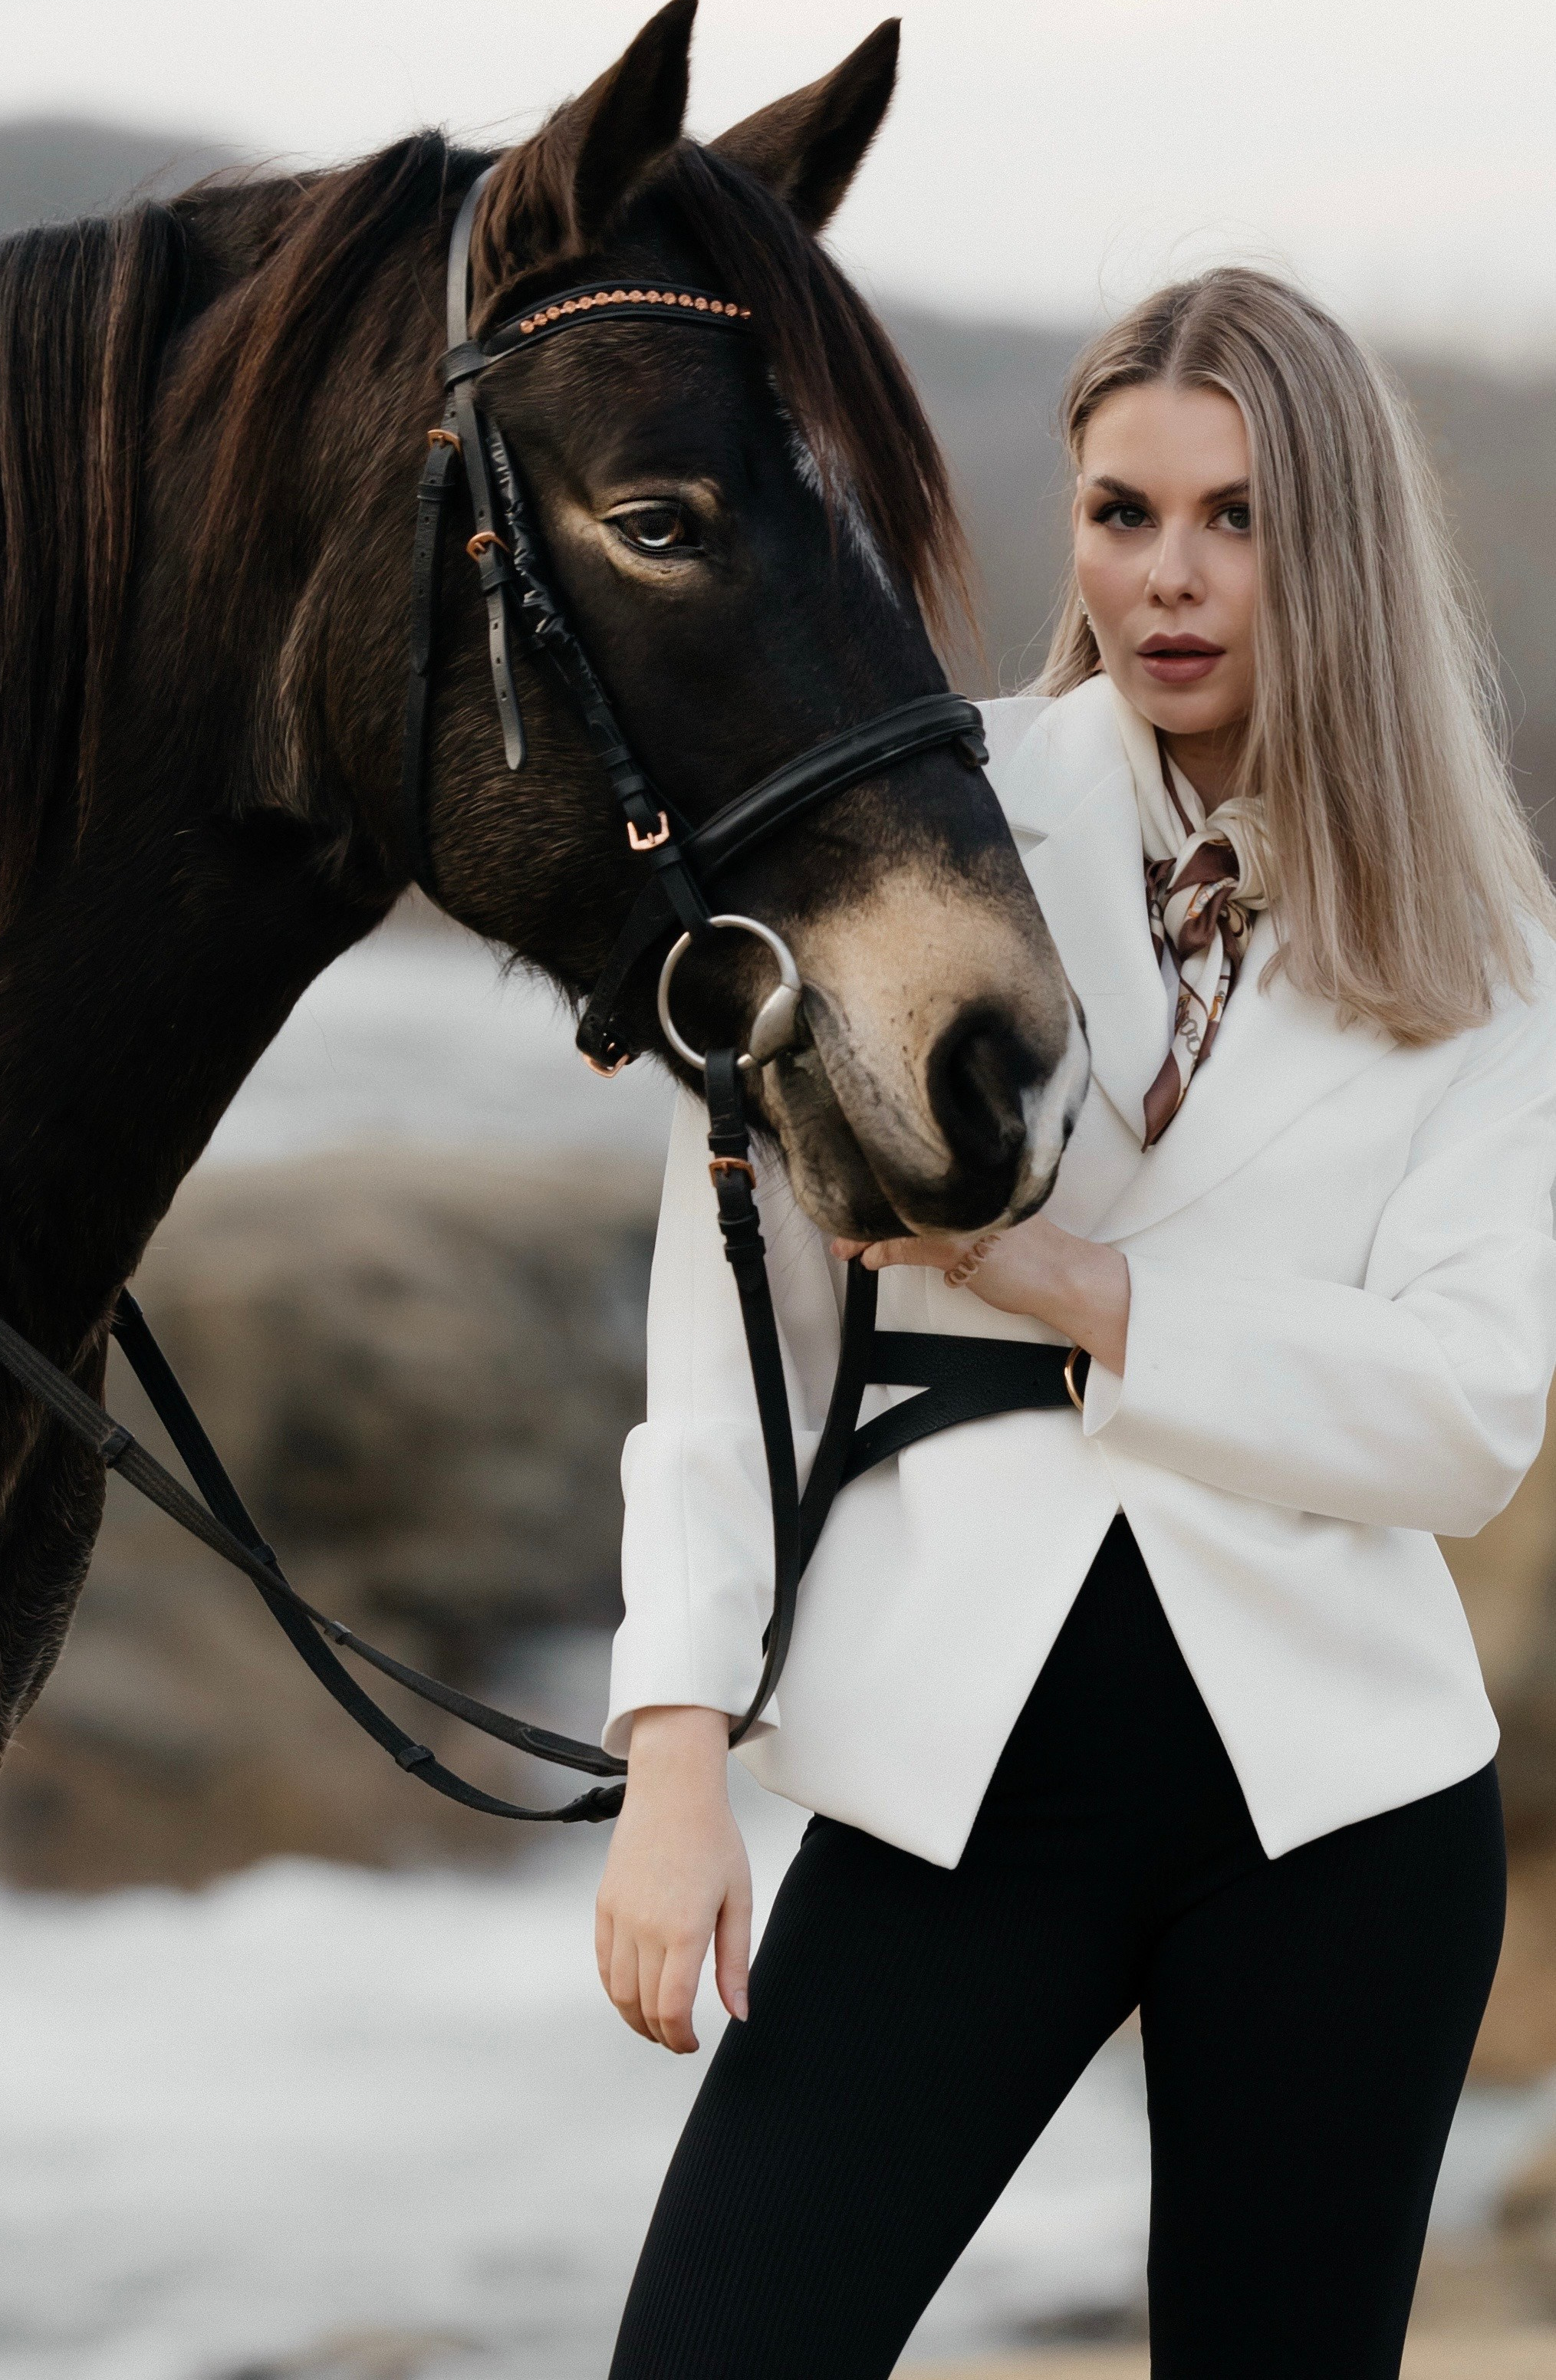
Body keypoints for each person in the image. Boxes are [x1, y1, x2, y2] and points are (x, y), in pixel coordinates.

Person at [596, 268, 1556, 2379]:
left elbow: (1471, 1417)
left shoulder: (1493, 940)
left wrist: (1076, 1289)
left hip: (1339, 1813)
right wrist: (676, 1761)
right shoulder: (904, 836)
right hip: (954, 1788)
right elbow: (726, 1350)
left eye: (1235, 518)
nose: (1170, 580)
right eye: (1124, 515)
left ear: (1339, 542)